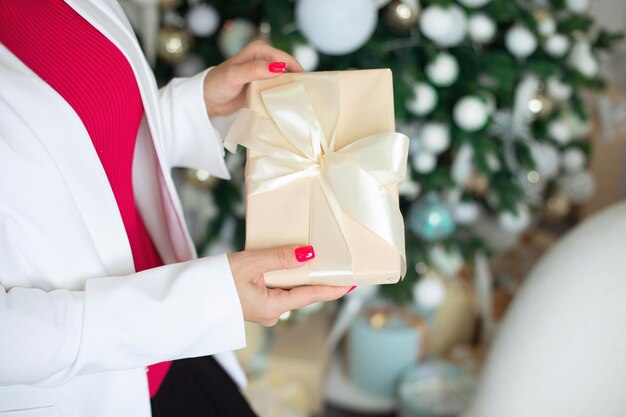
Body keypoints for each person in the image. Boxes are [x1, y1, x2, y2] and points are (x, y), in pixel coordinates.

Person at [0, 1, 351, 416]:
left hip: (178, 336)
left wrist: (194, 106)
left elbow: (83, 153)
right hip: (95, 388)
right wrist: (195, 304)